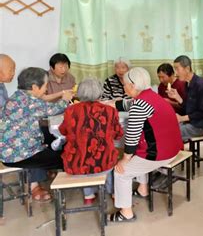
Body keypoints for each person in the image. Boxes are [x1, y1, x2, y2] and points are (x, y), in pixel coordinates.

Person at [109, 67, 183, 222]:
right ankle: (143, 189)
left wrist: (125, 159)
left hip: (161, 154)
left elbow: (132, 138)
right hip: (173, 147)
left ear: (133, 85)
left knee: (120, 172)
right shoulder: (152, 97)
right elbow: (124, 104)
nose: (124, 87)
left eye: (125, 85)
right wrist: (105, 104)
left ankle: (126, 213)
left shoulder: (139, 106)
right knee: (136, 148)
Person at [0, 67, 73, 202]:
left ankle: (45, 171)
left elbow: (43, 101)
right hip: (19, 155)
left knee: (50, 134)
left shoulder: (17, 96)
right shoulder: (31, 102)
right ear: (34, 87)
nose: (46, 89)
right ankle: (69, 187)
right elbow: (55, 109)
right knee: (65, 157)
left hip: (8, 149)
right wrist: (65, 99)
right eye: (45, 86)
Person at [59, 78, 123, 205]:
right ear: (100, 92)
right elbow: (118, 134)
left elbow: (63, 130)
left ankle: (88, 195)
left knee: (82, 158)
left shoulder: (70, 110)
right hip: (104, 163)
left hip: (77, 164)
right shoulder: (110, 111)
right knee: (109, 159)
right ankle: (113, 192)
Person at [167, 55, 203, 141]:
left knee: (171, 133)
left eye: (177, 69)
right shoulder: (188, 83)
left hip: (201, 126)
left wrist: (182, 118)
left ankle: (177, 154)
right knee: (168, 127)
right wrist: (178, 98)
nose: (176, 73)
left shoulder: (201, 85)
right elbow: (190, 109)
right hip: (191, 122)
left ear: (187, 69)